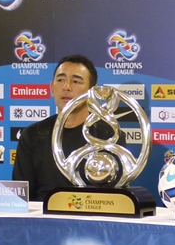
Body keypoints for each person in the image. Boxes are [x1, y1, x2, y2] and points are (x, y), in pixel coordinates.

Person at [13, 54, 124, 201]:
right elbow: (21, 197)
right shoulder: (32, 135)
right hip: (42, 219)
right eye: (60, 80)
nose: (66, 87)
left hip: (90, 217)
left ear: (92, 91)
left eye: (76, 81)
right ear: (51, 87)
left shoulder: (109, 135)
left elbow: (113, 198)